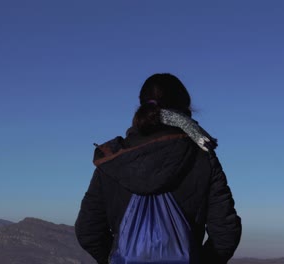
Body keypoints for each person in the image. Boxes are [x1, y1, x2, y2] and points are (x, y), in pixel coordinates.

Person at [75, 73, 241, 264]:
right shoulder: (202, 158)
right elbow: (226, 233)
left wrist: (113, 258)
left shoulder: (113, 159)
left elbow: (88, 230)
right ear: (184, 110)